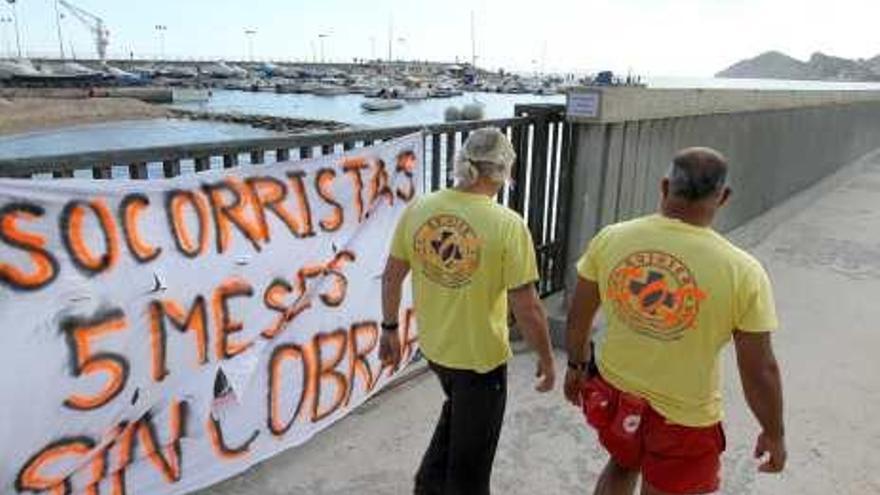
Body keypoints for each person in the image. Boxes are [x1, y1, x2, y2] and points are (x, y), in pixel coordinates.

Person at [564, 147, 786, 495]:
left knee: (622, 463)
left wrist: (576, 367)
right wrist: (773, 432)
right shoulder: (743, 272)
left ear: (664, 187)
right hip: (684, 417)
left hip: (615, 391)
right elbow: (760, 369)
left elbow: (579, 315)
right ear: (723, 197)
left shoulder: (612, 238)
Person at [380, 127, 556, 495]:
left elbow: (392, 276)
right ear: (504, 170)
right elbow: (527, 306)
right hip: (480, 360)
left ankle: (427, 485)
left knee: (459, 413)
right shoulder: (508, 225)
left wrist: (390, 328)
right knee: (471, 473)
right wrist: (547, 358)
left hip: (437, 350)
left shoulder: (421, 208)